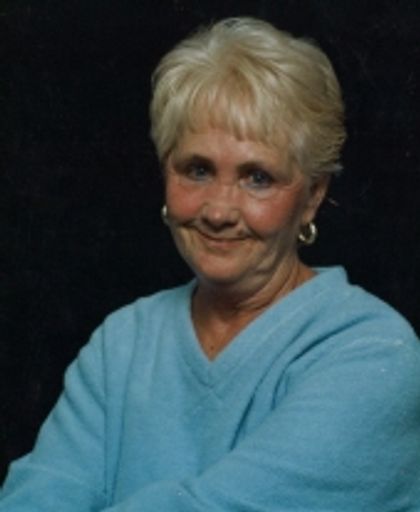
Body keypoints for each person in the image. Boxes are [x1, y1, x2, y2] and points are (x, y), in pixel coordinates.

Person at [1, 16, 420, 511]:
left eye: (257, 177)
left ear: (312, 196)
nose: (218, 211)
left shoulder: (374, 351)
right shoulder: (122, 343)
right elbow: (38, 494)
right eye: (197, 170)